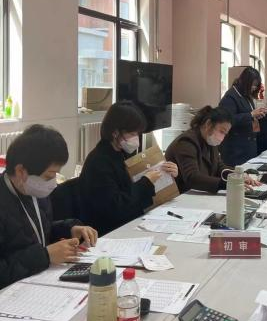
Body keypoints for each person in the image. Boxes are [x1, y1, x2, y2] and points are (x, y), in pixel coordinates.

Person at [0, 125, 98, 289]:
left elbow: (36, 232)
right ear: (21, 171)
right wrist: (45, 256)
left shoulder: (33, 190)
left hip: (39, 279)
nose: (53, 184)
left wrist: (69, 229)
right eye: (48, 176)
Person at [79, 101, 178, 236]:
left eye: (137, 133)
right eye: (131, 133)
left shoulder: (120, 152)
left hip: (130, 221)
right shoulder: (99, 162)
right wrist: (146, 182)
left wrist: (168, 173)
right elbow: (116, 206)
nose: (136, 138)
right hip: (108, 230)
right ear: (115, 132)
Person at [165, 106, 232, 194]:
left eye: (225, 134)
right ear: (208, 124)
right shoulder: (186, 142)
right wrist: (227, 184)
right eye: (221, 131)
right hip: (182, 195)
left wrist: (237, 176)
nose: (222, 138)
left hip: (198, 194)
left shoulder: (209, 140)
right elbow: (192, 178)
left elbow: (219, 167)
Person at [219, 67, 267, 166]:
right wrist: (251, 115)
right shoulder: (230, 97)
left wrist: (256, 115)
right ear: (245, 82)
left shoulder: (246, 95)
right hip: (236, 150)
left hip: (248, 146)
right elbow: (227, 120)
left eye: (256, 85)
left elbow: (248, 115)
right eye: (253, 85)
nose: (254, 88)